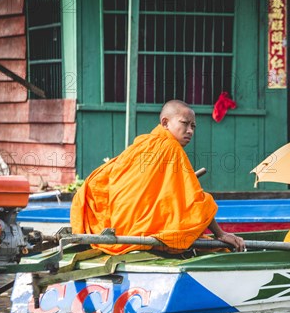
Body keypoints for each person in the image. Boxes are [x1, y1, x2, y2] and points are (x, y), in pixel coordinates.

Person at [70, 100, 245, 255]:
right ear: (165, 123)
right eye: (185, 124)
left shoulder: (143, 143)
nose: (190, 131)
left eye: (193, 126)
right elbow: (194, 200)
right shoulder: (170, 148)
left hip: (116, 228)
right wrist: (220, 234)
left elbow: (102, 180)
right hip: (138, 232)